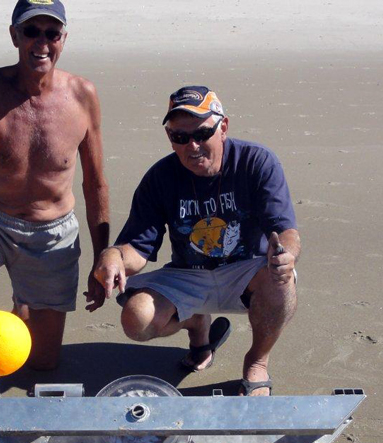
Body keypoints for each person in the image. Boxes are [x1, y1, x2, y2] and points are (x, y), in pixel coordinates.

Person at [0, 0, 109, 431]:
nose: (41, 42)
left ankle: (20, 306)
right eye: (32, 32)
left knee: (41, 362)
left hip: (52, 234)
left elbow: (95, 182)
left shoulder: (83, 95)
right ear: (14, 36)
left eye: (52, 33)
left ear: (63, 39)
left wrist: (102, 258)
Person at [93, 86, 300, 396]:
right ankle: (196, 324)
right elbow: (137, 249)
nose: (192, 146)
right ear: (170, 138)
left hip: (246, 272)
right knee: (136, 318)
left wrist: (287, 255)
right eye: (180, 137)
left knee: (281, 280)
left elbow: (285, 230)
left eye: (202, 134)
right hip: (187, 274)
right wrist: (112, 257)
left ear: (223, 128)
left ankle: (257, 362)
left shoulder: (256, 162)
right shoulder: (160, 178)